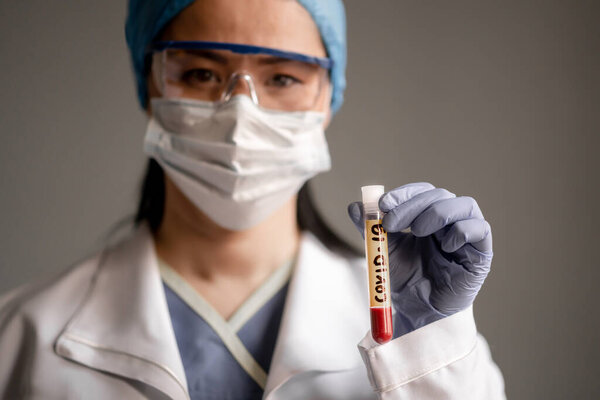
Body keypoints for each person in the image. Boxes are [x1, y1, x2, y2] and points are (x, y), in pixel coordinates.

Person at [0, 0, 506, 399]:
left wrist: (428, 353)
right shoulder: (21, 336)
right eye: (201, 73)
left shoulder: (423, 333)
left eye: (283, 77)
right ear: (149, 84)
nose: (241, 112)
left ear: (328, 95)